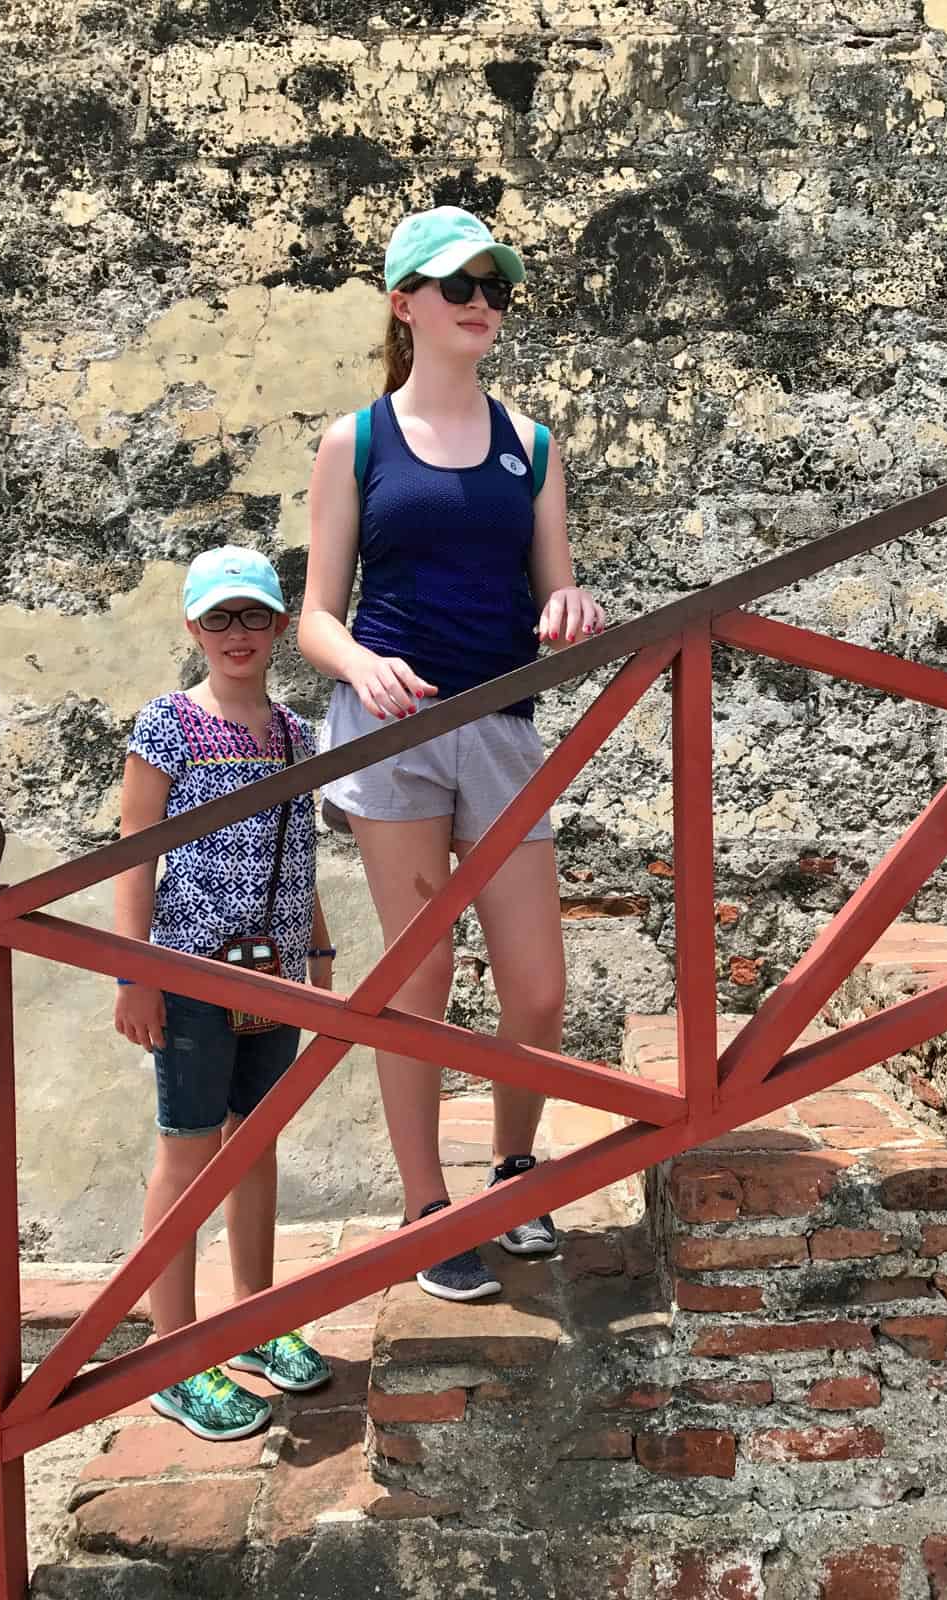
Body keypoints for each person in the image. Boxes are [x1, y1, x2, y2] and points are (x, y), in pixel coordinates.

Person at [299, 205, 605, 1302]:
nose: (481, 301)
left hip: (501, 724)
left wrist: (569, 602)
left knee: (535, 988)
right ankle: (429, 1210)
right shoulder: (358, 440)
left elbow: (552, 583)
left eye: (495, 285)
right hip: (393, 732)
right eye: (457, 283)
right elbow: (315, 615)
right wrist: (357, 666)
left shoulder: (532, 445)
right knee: (418, 978)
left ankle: (516, 1168)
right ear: (404, 302)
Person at [114, 545, 333, 1439]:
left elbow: (303, 847)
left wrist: (317, 943)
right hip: (192, 973)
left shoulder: (295, 735)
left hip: (272, 972)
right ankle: (174, 1352)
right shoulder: (166, 725)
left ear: (280, 625)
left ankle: (255, 1317)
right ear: (193, 628)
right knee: (186, 1149)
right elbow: (135, 853)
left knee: (255, 1146)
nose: (237, 635)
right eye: (219, 619)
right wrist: (135, 974)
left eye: (253, 617)